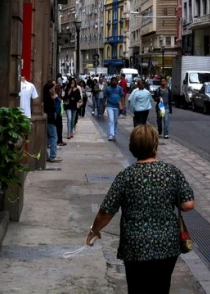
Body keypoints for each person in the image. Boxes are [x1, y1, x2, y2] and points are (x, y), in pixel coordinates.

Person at [86, 124, 194, 294]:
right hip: (166, 244)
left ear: (133, 147)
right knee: (161, 287)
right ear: (155, 146)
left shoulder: (126, 176)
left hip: (135, 245)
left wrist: (95, 229)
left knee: (137, 288)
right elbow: (188, 205)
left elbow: (107, 211)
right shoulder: (172, 172)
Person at [43, 81, 62, 163]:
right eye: (53, 88)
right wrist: (56, 97)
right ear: (50, 89)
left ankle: (47, 155)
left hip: (48, 119)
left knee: (48, 138)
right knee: (54, 137)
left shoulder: (45, 97)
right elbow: (56, 107)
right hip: (51, 119)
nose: (54, 90)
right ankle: (53, 156)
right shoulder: (49, 98)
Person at [104, 77, 124, 141]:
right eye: (113, 81)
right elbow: (105, 97)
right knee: (111, 120)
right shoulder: (108, 89)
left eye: (115, 81)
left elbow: (122, 97)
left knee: (115, 121)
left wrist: (123, 105)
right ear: (111, 81)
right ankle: (111, 134)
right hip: (109, 106)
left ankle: (114, 133)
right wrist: (103, 106)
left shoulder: (119, 88)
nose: (114, 82)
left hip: (117, 107)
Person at [55, 79, 66, 147]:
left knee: (59, 127)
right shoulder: (55, 96)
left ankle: (60, 140)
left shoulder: (58, 96)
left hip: (59, 113)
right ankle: (58, 141)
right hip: (56, 114)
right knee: (58, 127)